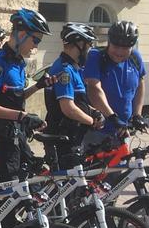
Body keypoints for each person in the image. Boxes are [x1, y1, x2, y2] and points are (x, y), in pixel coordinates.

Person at [0, 9, 50, 181]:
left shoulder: (18, 63)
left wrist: (37, 87)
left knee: (36, 177)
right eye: (36, 39)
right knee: (8, 190)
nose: (36, 46)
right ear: (22, 34)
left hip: (16, 133)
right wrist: (22, 116)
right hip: (0, 137)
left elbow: (13, 100)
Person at [42, 22, 104, 166]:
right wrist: (91, 121)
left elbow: (78, 102)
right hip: (63, 136)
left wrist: (95, 113)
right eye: (89, 46)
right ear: (79, 44)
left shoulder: (73, 69)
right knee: (68, 185)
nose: (89, 50)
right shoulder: (65, 70)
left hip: (73, 134)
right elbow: (68, 108)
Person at [81, 20, 147, 153]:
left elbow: (140, 85)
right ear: (109, 42)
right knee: (96, 173)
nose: (120, 52)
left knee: (119, 172)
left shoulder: (135, 58)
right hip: (98, 131)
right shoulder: (96, 56)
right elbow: (94, 89)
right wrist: (112, 117)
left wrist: (137, 115)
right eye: (116, 46)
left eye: (125, 48)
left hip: (123, 131)